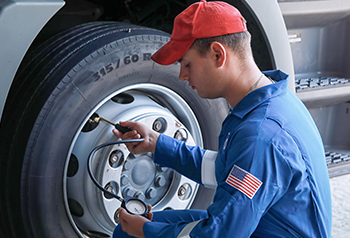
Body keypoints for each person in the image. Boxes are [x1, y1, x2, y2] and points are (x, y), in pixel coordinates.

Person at [112, 0, 332, 237]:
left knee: (132, 234)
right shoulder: (271, 101)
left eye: (187, 64)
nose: (182, 75)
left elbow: (224, 234)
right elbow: (226, 170)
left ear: (218, 54)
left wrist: (148, 233)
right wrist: (157, 144)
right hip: (261, 224)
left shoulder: (260, 136)